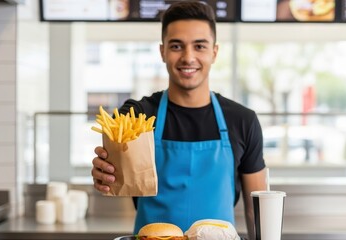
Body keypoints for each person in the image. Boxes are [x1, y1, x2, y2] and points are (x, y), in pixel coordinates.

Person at [91, 1, 267, 239]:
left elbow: (257, 209)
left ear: (214, 52)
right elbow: (116, 150)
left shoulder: (242, 120)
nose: (188, 57)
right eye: (177, 46)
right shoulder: (140, 116)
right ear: (162, 51)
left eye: (199, 46)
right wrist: (105, 170)